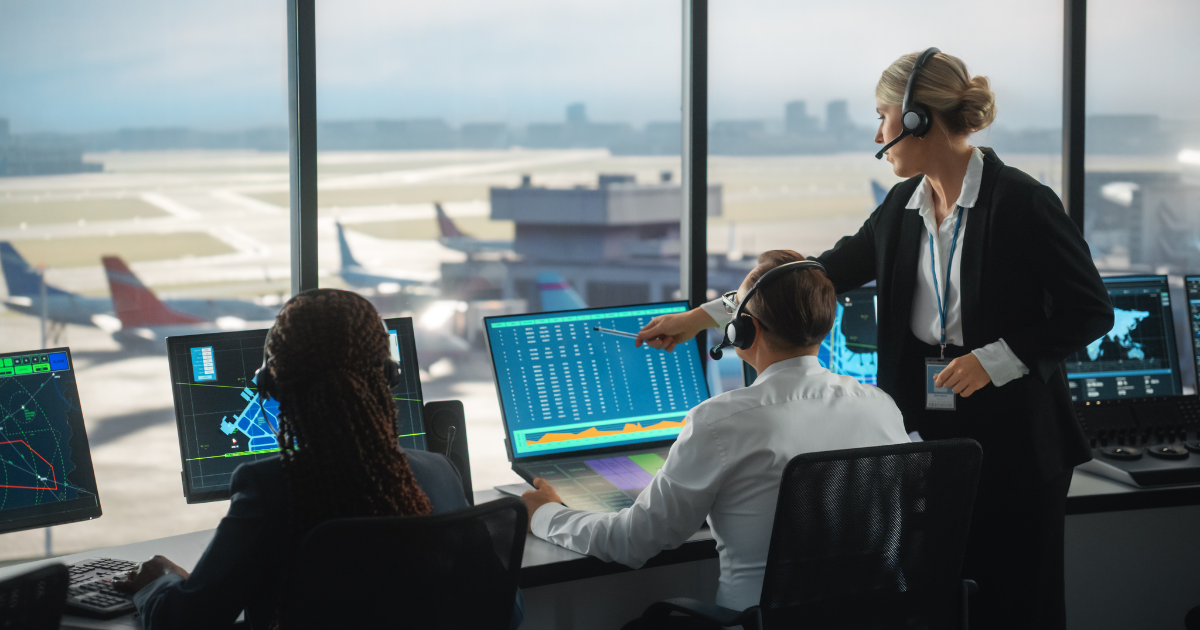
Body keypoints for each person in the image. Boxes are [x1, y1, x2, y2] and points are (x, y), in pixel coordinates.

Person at [634, 50, 1113, 629]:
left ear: (917, 120)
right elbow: (816, 274)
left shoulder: (1022, 202)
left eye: (883, 116)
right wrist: (703, 318)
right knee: (935, 598)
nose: (878, 132)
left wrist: (995, 360)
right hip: (927, 429)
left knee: (1013, 602)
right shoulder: (901, 206)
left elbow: (1089, 310)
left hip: (1016, 434)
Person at [522, 250, 909, 623]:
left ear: (743, 330)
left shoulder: (720, 422)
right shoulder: (881, 407)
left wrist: (546, 514)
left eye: (733, 306)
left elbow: (631, 541)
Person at [113, 289, 521, 629]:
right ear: (388, 377)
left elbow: (184, 622)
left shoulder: (270, 490)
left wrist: (159, 583)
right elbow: (506, 611)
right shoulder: (439, 474)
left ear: (270, 385)